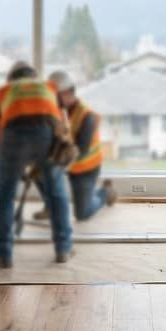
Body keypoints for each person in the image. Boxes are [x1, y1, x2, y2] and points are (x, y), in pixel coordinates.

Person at [0, 62, 75, 268]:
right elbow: (64, 127)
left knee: (5, 196)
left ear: (11, 79)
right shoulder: (48, 88)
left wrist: (6, 166)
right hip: (47, 135)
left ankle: (3, 254)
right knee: (56, 194)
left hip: (14, 137)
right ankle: (63, 249)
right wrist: (48, 159)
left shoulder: (5, 92)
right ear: (34, 76)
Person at [35, 71, 117, 222]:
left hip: (85, 167)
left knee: (82, 214)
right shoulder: (55, 112)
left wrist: (54, 164)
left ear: (66, 93)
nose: (50, 99)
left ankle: (106, 192)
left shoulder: (87, 117)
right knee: (37, 170)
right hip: (65, 162)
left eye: (54, 95)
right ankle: (50, 206)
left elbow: (80, 151)